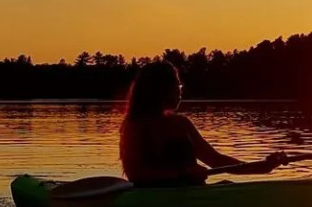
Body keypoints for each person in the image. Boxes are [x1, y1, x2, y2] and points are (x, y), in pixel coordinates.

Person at [119, 61, 288, 186]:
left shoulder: (182, 123)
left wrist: (263, 167)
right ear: (160, 90)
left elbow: (216, 160)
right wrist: (182, 174)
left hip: (192, 193)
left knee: (226, 184)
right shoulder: (134, 126)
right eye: (176, 84)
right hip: (157, 197)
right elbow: (136, 175)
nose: (180, 90)